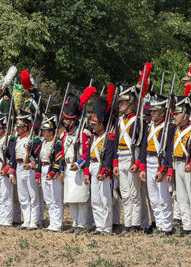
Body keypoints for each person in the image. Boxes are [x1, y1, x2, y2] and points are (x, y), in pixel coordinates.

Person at [161, 96, 191, 236]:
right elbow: (170, 151)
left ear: (185, 116)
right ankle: (186, 226)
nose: (175, 116)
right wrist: (170, 170)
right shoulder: (175, 130)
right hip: (177, 164)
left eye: (178, 114)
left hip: (189, 167)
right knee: (181, 198)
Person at [61, 86, 95, 234]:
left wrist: (79, 164)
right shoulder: (65, 135)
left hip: (78, 168)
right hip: (68, 168)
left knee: (81, 199)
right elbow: (62, 153)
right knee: (71, 199)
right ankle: (75, 224)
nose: (65, 122)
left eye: (68, 120)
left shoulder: (84, 133)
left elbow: (87, 153)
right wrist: (62, 169)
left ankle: (82, 225)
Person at [113, 85, 146, 236]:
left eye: (123, 102)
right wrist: (115, 163)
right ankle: (127, 224)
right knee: (125, 195)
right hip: (121, 157)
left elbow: (143, 144)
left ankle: (135, 225)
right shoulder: (120, 121)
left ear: (131, 104)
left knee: (134, 194)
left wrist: (138, 163)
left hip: (133, 158)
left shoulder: (139, 121)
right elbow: (115, 143)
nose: (120, 105)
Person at [138, 94, 173, 235]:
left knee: (163, 198)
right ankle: (159, 225)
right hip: (149, 162)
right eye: (151, 111)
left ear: (162, 112)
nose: (151, 113)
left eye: (155, 111)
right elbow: (143, 147)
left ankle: (167, 227)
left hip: (160, 165)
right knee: (153, 199)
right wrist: (142, 167)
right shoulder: (149, 127)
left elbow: (169, 150)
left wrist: (163, 169)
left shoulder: (168, 128)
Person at [84, 91, 115, 235]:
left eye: (95, 124)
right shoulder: (92, 139)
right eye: (91, 124)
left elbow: (109, 156)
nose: (92, 126)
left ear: (101, 124)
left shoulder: (108, 138)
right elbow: (87, 157)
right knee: (95, 200)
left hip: (103, 170)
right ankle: (99, 226)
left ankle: (107, 227)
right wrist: (86, 172)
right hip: (92, 167)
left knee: (105, 200)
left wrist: (104, 171)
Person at [8, 110, 41, 230]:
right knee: (23, 197)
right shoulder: (17, 139)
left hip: (30, 169)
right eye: (17, 126)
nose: (17, 129)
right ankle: (26, 220)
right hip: (19, 167)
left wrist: (32, 165)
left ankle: (34, 221)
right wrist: (12, 172)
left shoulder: (34, 139)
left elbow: (39, 157)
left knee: (33, 196)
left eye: (20, 127)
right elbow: (13, 156)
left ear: (26, 127)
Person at [34, 114, 64, 232]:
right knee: (48, 199)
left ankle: (57, 224)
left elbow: (58, 158)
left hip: (52, 172)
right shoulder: (43, 143)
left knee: (56, 198)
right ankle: (52, 222)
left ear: (51, 132)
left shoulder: (57, 143)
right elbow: (39, 158)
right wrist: (38, 172)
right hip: (44, 170)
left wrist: (53, 171)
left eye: (45, 131)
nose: (42, 133)